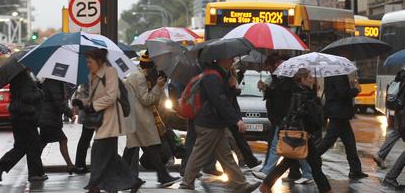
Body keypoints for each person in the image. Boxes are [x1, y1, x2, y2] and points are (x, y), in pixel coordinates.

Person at [180, 56, 261, 193]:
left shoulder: (219, 75)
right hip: (208, 123)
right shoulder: (213, 76)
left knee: (225, 155)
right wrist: (236, 119)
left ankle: (240, 183)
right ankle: (186, 183)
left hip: (215, 122)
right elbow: (219, 101)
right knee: (199, 155)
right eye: (230, 59)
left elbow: (223, 96)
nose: (232, 62)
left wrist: (232, 87)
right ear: (222, 59)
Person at [74, 48, 142, 193]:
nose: (88, 64)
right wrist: (81, 102)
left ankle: (94, 186)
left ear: (99, 61)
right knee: (111, 159)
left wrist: (92, 106)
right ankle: (131, 181)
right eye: (87, 62)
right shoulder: (92, 76)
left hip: (111, 121)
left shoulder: (110, 72)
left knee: (98, 153)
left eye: (90, 61)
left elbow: (111, 97)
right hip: (101, 122)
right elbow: (94, 98)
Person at [259, 68, 331, 193]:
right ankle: (326, 190)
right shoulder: (300, 94)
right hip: (301, 134)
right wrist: (313, 106)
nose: (312, 79)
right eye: (309, 77)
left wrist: (316, 102)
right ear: (302, 79)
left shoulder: (306, 93)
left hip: (304, 134)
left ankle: (266, 184)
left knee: (293, 162)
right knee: (314, 164)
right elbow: (297, 114)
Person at [122, 60, 181, 188]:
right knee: (150, 147)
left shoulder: (136, 75)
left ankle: (123, 177)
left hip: (135, 118)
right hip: (141, 119)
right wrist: (158, 87)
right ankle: (162, 175)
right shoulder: (140, 77)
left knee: (134, 149)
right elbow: (146, 100)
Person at [255, 54, 312, 184]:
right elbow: (276, 94)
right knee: (296, 146)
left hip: (287, 118)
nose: (279, 66)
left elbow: (284, 98)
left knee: (286, 144)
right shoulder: (280, 79)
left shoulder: (291, 82)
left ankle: (267, 171)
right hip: (284, 118)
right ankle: (308, 173)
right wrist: (266, 88)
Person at [0, 69, 46, 182]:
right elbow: (27, 96)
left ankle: (1, 165)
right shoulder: (23, 77)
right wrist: (40, 92)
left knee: (21, 146)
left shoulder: (18, 75)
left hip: (19, 115)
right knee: (34, 144)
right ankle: (35, 174)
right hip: (25, 115)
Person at [317, 74, 368, 180]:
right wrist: (356, 90)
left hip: (339, 113)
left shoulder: (331, 74)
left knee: (349, 142)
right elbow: (343, 93)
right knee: (329, 140)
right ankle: (309, 158)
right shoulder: (337, 75)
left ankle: (356, 170)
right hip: (338, 113)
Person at [39, 78, 76, 174]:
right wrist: (70, 113)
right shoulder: (53, 82)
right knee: (63, 140)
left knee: (43, 142)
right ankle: (70, 166)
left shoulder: (52, 81)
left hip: (48, 117)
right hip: (49, 118)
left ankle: (35, 165)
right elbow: (58, 102)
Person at [71, 83, 94, 175]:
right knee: (85, 139)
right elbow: (91, 96)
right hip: (90, 114)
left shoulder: (89, 80)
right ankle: (80, 165)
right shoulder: (89, 81)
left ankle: (80, 164)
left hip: (90, 113)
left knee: (85, 139)